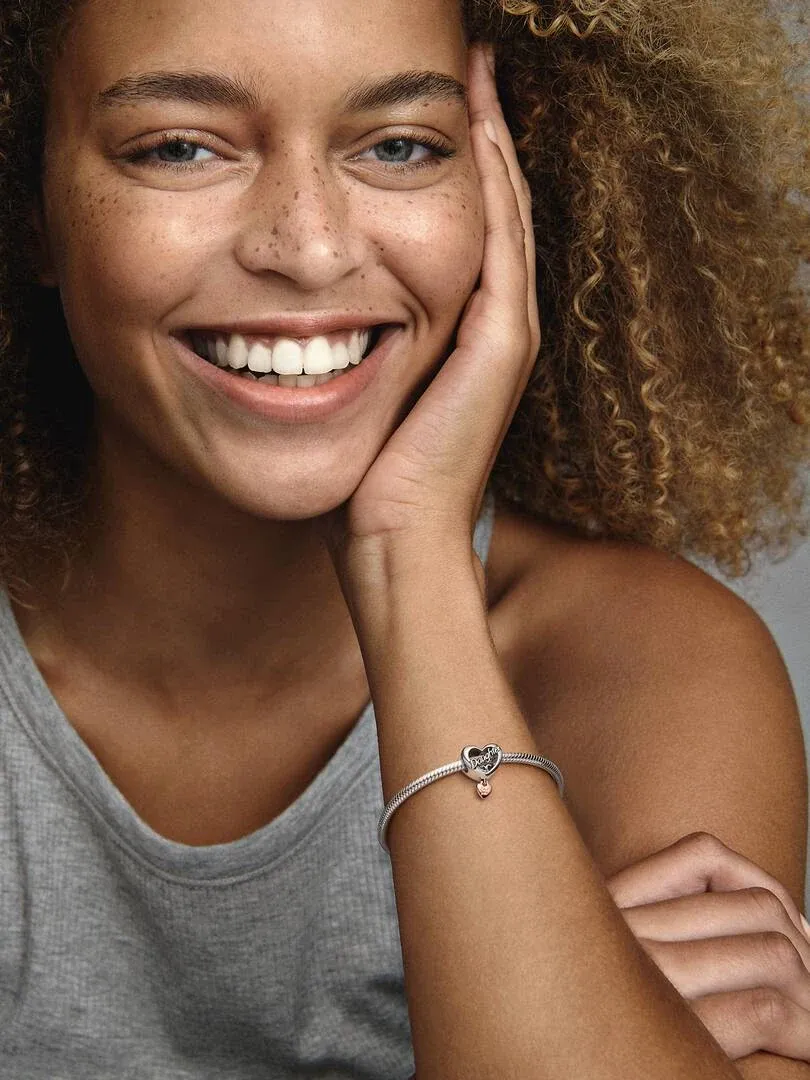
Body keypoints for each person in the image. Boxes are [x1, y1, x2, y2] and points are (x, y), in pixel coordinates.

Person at [0, 0, 808, 1076]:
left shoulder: (645, 662)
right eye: (181, 147)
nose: (309, 245)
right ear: (32, 210)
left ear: (504, 188)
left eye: (398, 147)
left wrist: (409, 555)